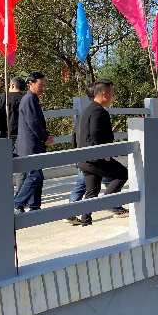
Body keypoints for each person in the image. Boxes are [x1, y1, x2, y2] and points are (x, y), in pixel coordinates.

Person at [73, 79, 129, 224]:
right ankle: (108, 201)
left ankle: (86, 220)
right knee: (122, 173)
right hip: (95, 158)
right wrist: (104, 152)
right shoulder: (99, 112)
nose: (113, 97)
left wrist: (77, 153)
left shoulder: (85, 111)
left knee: (91, 192)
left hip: (84, 159)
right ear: (104, 94)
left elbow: (75, 134)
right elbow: (96, 132)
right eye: (112, 93)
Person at [14, 72, 54, 213]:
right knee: (35, 176)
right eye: (40, 84)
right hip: (30, 145)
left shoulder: (32, 98)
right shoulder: (29, 99)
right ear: (30, 83)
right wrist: (45, 138)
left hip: (32, 145)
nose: (43, 87)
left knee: (36, 176)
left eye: (44, 84)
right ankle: (18, 203)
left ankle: (34, 206)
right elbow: (33, 123)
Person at [64, 83, 94, 224]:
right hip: (89, 157)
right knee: (83, 183)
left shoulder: (85, 112)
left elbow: (74, 135)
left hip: (84, 155)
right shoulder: (91, 112)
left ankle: (72, 212)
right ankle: (71, 211)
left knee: (84, 183)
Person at [0, 76, 26, 147]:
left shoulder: (5, 97)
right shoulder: (27, 98)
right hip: (25, 136)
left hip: (8, 136)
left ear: (13, 86)